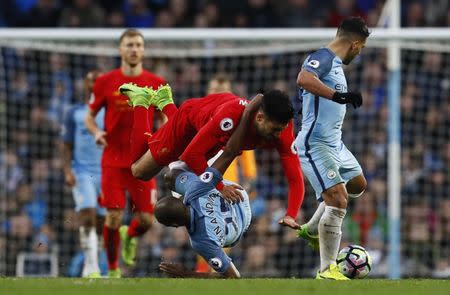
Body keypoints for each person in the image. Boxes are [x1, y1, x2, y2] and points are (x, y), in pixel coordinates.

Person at [120, 84, 304, 229]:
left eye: (282, 129)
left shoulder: (283, 129)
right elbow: (191, 155)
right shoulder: (230, 119)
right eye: (275, 130)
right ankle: (142, 102)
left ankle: (166, 103)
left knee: (185, 175)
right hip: (189, 123)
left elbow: (295, 178)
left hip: (212, 132)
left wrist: (290, 214)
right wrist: (220, 186)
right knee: (139, 171)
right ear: (260, 118)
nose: (279, 135)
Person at [84, 29, 166, 278]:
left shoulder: (156, 82)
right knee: (112, 216)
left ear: (143, 50)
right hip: (113, 161)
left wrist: (160, 139)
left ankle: (128, 235)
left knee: (146, 220)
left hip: (144, 161)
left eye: (138, 45)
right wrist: (97, 132)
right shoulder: (105, 82)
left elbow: (164, 118)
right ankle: (112, 270)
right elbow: (89, 116)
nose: (134, 49)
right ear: (120, 50)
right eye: (129, 45)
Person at [295, 16, 369, 280]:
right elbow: (303, 79)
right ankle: (327, 271)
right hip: (316, 144)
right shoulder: (322, 57)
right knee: (338, 200)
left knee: (358, 184)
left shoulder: (335, 65)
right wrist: (340, 96)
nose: (360, 53)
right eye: (361, 48)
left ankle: (314, 228)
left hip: (335, 143)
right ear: (356, 44)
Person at [156, 167, 251, 278]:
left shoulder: (200, 242)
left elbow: (233, 277)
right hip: (238, 193)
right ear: (181, 200)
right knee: (171, 176)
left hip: (242, 223)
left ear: (174, 225)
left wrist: (185, 273)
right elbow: (224, 159)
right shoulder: (194, 189)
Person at [61, 70, 105, 278]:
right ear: (85, 85)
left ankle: (97, 261)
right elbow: (66, 145)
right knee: (87, 213)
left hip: (107, 173)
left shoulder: (112, 112)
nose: (94, 83)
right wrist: (67, 170)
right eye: (91, 80)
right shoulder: (75, 112)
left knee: (102, 222)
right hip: (82, 170)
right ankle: (91, 265)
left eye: (98, 80)